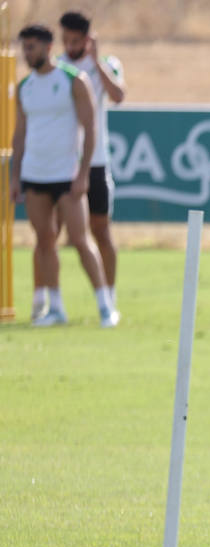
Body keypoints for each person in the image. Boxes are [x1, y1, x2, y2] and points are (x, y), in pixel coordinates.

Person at [10, 23, 115, 328]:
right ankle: (55, 307)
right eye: (24, 48)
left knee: (81, 240)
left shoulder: (73, 81)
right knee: (45, 241)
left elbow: (90, 128)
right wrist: (15, 177)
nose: (26, 53)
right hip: (35, 173)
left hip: (66, 174)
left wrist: (83, 174)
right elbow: (20, 133)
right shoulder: (25, 86)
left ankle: (105, 305)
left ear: (47, 47)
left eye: (31, 47)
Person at [55, 11, 124, 312]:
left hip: (96, 162)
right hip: (63, 162)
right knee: (52, 232)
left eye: (75, 40)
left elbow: (118, 95)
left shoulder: (107, 65)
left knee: (100, 229)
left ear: (87, 38)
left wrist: (95, 61)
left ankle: (110, 295)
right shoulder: (57, 68)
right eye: (65, 40)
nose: (69, 46)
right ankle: (51, 302)